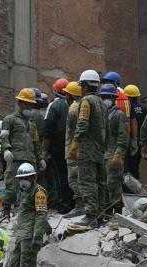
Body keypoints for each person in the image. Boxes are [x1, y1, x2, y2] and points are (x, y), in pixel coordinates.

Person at [69, 70, 107, 227]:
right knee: (100, 183)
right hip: (100, 149)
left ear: (84, 85)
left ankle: (90, 215)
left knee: (86, 182)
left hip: (87, 149)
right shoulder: (102, 104)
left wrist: (75, 142)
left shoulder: (86, 102)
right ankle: (100, 216)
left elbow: (82, 122)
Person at [0, 89, 46, 217]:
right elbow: (4, 136)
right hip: (16, 158)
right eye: (27, 103)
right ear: (20, 103)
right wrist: (6, 149)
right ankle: (6, 211)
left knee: (32, 188)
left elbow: (36, 143)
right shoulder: (9, 119)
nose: (29, 107)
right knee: (12, 187)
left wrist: (40, 158)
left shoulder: (32, 124)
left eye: (31, 104)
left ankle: (29, 212)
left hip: (30, 159)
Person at [7, 163, 50, 267]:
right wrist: (47, 226)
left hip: (29, 236)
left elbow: (41, 214)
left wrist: (38, 237)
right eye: (20, 178)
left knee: (26, 264)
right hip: (21, 235)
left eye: (25, 178)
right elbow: (34, 211)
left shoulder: (38, 192)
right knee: (13, 263)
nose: (22, 181)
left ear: (34, 177)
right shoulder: (26, 191)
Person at [98, 84, 129, 214]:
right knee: (103, 184)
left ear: (114, 98)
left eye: (108, 97)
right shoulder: (101, 115)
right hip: (102, 154)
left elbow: (123, 136)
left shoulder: (118, 115)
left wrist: (119, 154)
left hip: (113, 154)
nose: (105, 100)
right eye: (103, 97)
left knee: (114, 183)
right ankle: (106, 210)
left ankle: (117, 210)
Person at [43, 78, 71, 213]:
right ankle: (71, 202)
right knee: (69, 174)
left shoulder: (54, 105)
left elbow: (48, 130)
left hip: (57, 146)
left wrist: (45, 151)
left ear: (55, 91)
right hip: (70, 145)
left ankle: (63, 203)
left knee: (60, 176)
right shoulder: (73, 103)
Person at [102, 72, 139, 164]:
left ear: (115, 84)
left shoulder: (102, 98)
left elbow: (132, 119)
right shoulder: (126, 99)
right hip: (123, 138)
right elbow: (133, 120)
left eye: (108, 82)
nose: (105, 84)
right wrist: (134, 138)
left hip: (114, 139)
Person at [124, 84, 147, 181]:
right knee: (140, 166)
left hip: (130, 142)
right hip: (143, 142)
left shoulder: (127, 108)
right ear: (137, 96)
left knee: (130, 167)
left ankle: (131, 191)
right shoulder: (145, 108)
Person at [62, 82, 84, 219]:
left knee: (74, 178)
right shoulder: (83, 106)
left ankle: (80, 206)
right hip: (84, 149)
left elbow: (71, 131)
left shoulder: (73, 109)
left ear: (69, 95)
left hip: (73, 149)